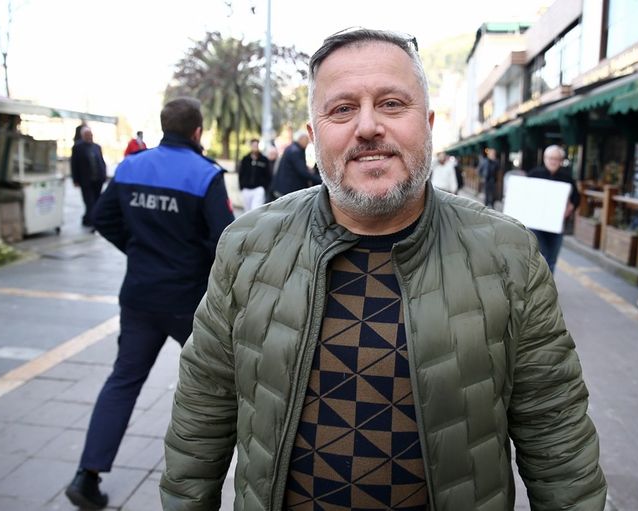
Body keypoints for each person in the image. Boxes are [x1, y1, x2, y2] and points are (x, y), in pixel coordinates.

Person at [160, 29, 606, 511]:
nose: (368, 126)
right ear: (314, 136)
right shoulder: (248, 245)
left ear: (429, 124)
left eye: (392, 104)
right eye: (342, 109)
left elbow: (556, 433)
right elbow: (202, 408)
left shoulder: (507, 254)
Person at [65, 97, 235, 510]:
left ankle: (87, 475)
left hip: (139, 296)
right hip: (188, 302)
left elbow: (102, 218)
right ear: (197, 131)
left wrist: (138, 250)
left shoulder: (131, 167)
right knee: (223, 383)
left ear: (164, 126)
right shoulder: (205, 174)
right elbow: (226, 241)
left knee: (123, 381)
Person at [527, 145, 581, 273]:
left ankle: (547, 284)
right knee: (541, 255)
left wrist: (571, 207)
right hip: (535, 225)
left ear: (561, 161)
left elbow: (576, 198)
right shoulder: (534, 174)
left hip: (556, 225)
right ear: (545, 158)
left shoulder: (567, 178)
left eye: (556, 159)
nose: (553, 161)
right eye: (550, 158)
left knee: (552, 258)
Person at [70, 126, 107, 228]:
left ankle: (87, 219)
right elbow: (74, 164)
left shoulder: (97, 147)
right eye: (87, 135)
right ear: (83, 136)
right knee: (89, 201)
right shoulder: (77, 147)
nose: (89, 137)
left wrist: (104, 174)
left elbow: (101, 162)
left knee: (96, 200)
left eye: (90, 135)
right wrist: (75, 179)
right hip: (86, 180)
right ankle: (92, 221)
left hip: (98, 179)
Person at [270, 130, 321, 198]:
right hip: (288, 190)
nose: (308, 142)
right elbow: (302, 172)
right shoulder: (295, 151)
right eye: (306, 139)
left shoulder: (292, 148)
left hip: (284, 188)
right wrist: (319, 179)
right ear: (301, 139)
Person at [237, 138, 272, 211]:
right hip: (246, 189)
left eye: (256, 145)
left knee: (255, 210)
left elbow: (268, 175)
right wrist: (241, 186)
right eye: (253, 145)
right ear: (251, 146)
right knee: (247, 211)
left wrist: (265, 187)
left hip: (258, 189)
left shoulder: (264, 159)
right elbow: (241, 173)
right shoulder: (245, 159)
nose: (255, 147)